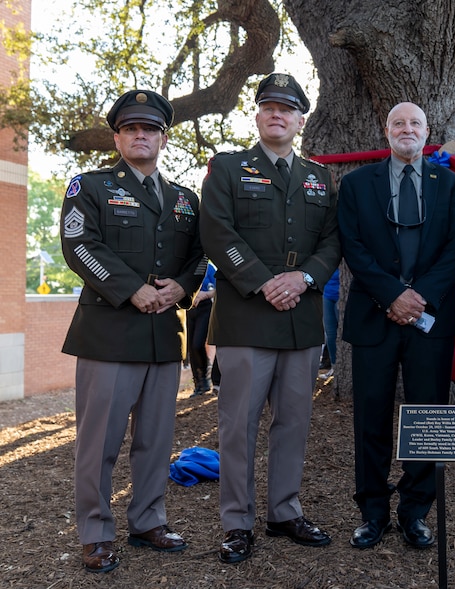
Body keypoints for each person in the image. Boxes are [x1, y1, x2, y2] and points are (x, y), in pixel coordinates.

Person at [59, 90, 203, 573]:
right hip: (109, 333)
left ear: (164, 137)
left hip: (164, 334)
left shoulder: (186, 199)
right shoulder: (90, 186)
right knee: (99, 442)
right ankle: (96, 533)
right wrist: (131, 289)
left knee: (156, 440)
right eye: (131, 129)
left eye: (150, 129)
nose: (141, 136)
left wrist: (179, 287)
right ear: (118, 137)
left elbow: (200, 257)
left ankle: (147, 520)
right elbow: (79, 245)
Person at [200, 73, 341, 563]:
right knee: (237, 425)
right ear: (257, 116)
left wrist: (302, 279)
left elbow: (332, 242)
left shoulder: (320, 177)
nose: (276, 114)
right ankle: (236, 522)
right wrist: (264, 281)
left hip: (301, 321)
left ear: (301, 120)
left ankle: (284, 511)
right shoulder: (228, 168)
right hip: (245, 319)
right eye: (268, 107)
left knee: (294, 423)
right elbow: (216, 232)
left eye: (287, 108)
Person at [338, 102, 455, 549]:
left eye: (414, 123)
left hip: (429, 321)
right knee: (370, 419)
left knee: (427, 416)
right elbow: (352, 247)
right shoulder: (356, 184)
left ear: (426, 131)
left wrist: (419, 298)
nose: (406, 129)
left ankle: (415, 511)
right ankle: (372, 512)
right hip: (374, 314)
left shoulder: (449, 184)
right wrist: (392, 295)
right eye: (398, 123)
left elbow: (454, 248)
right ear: (386, 130)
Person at [187, 260, 216, 396]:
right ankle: (198, 383)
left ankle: (205, 377)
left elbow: (217, 289)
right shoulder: (186, 265)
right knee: (191, 348)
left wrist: (205, 294)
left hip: (204, 308)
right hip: (188, 309)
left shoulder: (209, 267)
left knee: (198, 343)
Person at [320, 268, 340, 379]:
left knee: (342, 333)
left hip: (341, 294)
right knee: (330, 334)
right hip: (327, 293)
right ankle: (334, 367)